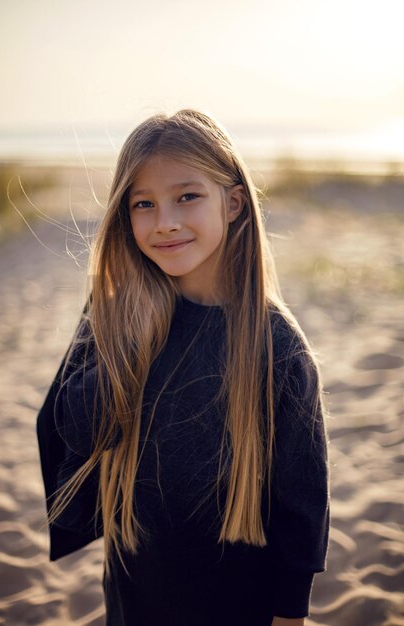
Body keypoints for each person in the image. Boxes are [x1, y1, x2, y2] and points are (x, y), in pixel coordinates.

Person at [36, 108, 330, 626]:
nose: (164, 221)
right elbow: (73, 429)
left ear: (234, 202)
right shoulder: (113, 312)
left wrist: (290, 616)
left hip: (239, 603)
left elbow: (301, 507)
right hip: (133, 596)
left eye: (186, 196)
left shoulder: (276, 347)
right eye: (143, 204)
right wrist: (136, 337)